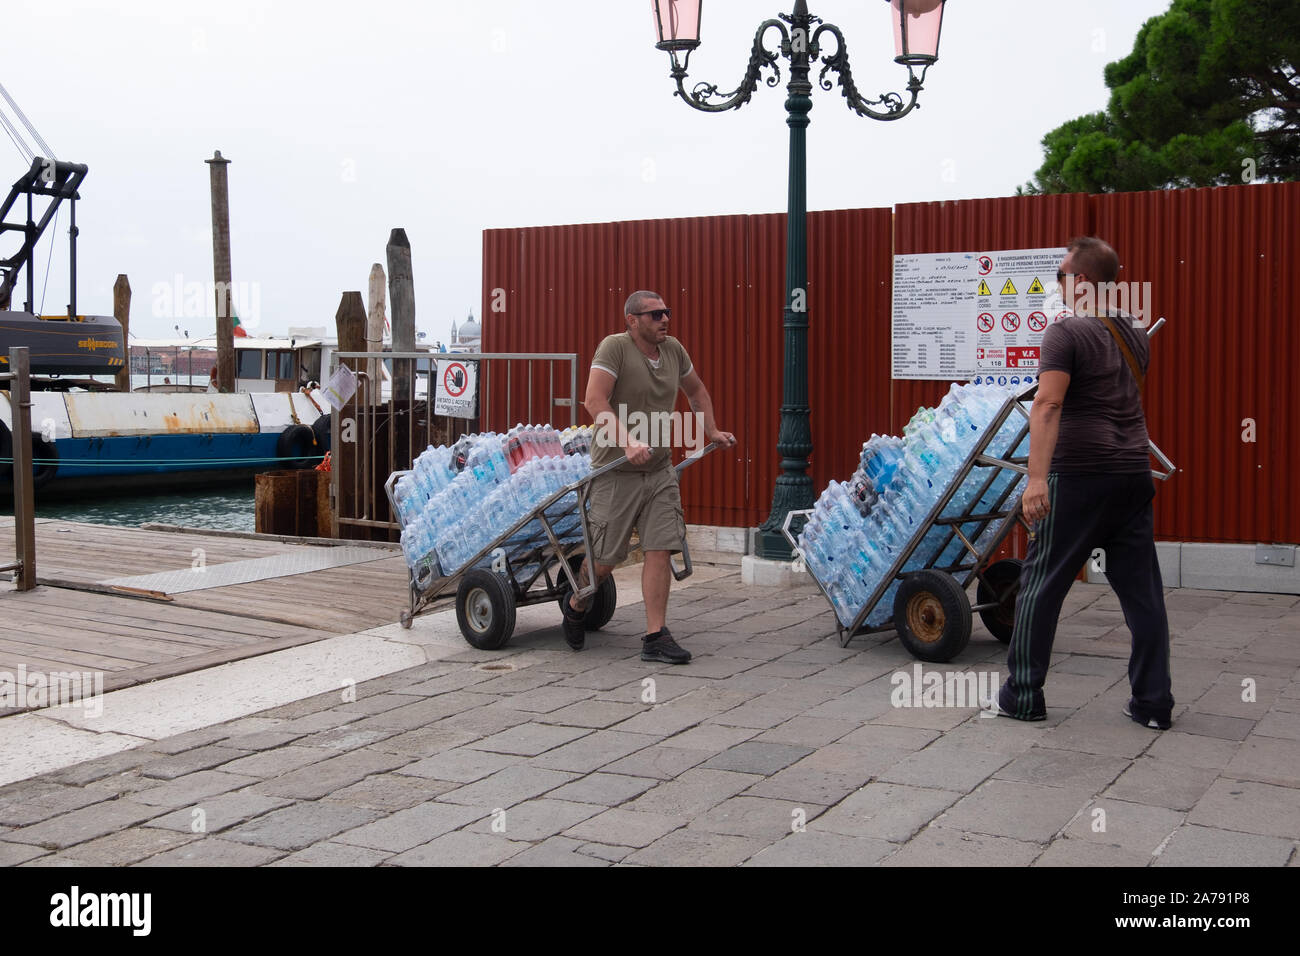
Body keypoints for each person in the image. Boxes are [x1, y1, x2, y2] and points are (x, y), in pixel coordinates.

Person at [990, 236, 1174, 729]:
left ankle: (1022, 696)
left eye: (1061, 276)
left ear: (1083, 282)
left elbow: (1047, 406)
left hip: (1079, 476)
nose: (1057, 285)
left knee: (1040, 587)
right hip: (1132, 475)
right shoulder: (1134, 332)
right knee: (1143, 595)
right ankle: (1153, 704)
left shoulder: (1065, 334)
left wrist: (1035, 480)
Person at [561, 290, 735, 664]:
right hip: (615, 471)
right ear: (632, 320)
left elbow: (697, 391)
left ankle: (655, 636)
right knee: (605, 561)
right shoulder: (615, 348)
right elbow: (594, 401)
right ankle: (576, 604)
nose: (665, 320)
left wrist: (713, 432)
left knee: (660, 545)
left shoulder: (673, 350)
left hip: (658, 471)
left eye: (666, 313)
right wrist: (626, 442)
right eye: (655, 315)